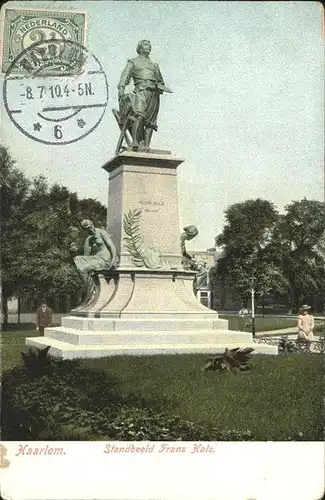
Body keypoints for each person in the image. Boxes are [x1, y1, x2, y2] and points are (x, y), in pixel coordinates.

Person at [117, 40, 172, 151]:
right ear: (139, 48)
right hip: (141, 91)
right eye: (146, 45)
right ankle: (135, 142)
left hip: (154, 93)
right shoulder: (133, 62)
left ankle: (146, 145)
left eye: (150, 45)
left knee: (151, 121)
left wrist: (160, 86)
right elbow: (125, 76)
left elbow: (160, 81)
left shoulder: (154, 65)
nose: (149, 47)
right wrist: (121, 89)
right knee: (139, 115)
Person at [70, 220, 117, 304]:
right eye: (87, 228)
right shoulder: (88, 239)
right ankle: (89, 287)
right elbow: (86, 256)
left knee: (83, 269)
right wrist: (75, 251)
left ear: (92, 224)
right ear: (85, 230)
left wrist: (114, 258)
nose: (90, 229)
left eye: (90, 226)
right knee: (77, 259)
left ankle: (90, 292)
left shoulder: (101, 232)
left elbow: (111, 245)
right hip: (96, 258)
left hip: (105, 259)